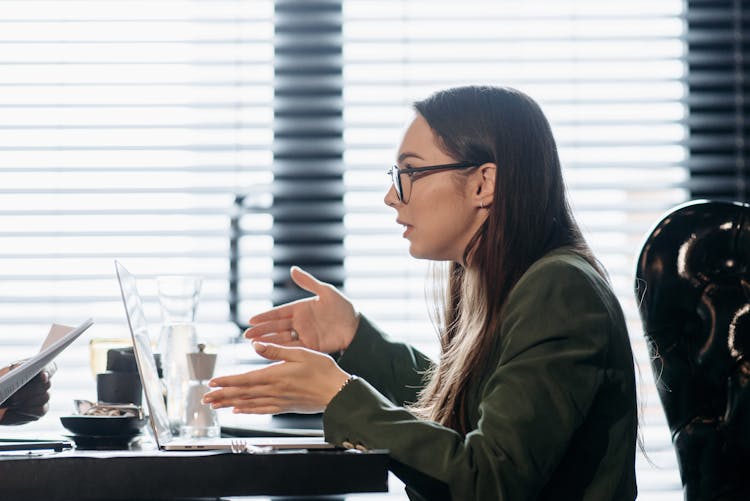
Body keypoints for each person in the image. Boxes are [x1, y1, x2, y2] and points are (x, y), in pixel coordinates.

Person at [204, 85, 638, 500]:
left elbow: (488, 480)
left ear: (483, 184)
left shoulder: (559, 290)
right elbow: (465, 410)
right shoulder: (498, 281)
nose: (391, 196)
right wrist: (355, 338)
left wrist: (340, 395)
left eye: (410, 172)